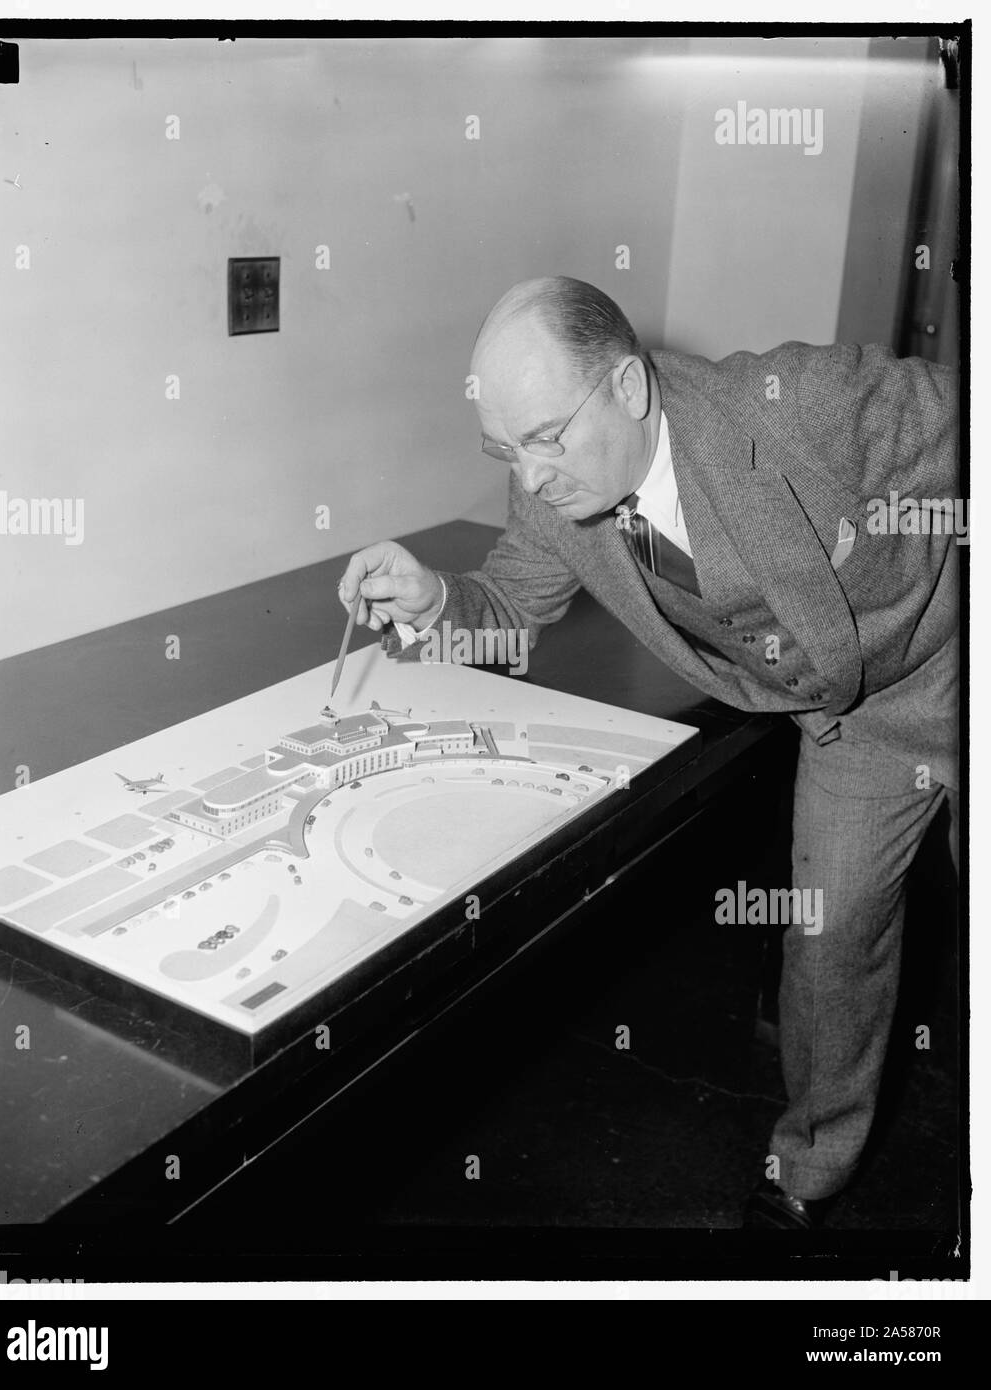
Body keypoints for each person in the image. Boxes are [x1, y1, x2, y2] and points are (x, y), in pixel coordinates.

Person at [339, 276, 960, 1229]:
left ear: (629, 388)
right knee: (830, 945)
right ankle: (808, 1173)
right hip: (855, 726)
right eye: (504, 449)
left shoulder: (802, 408)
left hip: (955, 660)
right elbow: (507, 613)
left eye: (545, 437)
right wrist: (436, 603)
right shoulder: (556, 496)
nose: (532, 476)